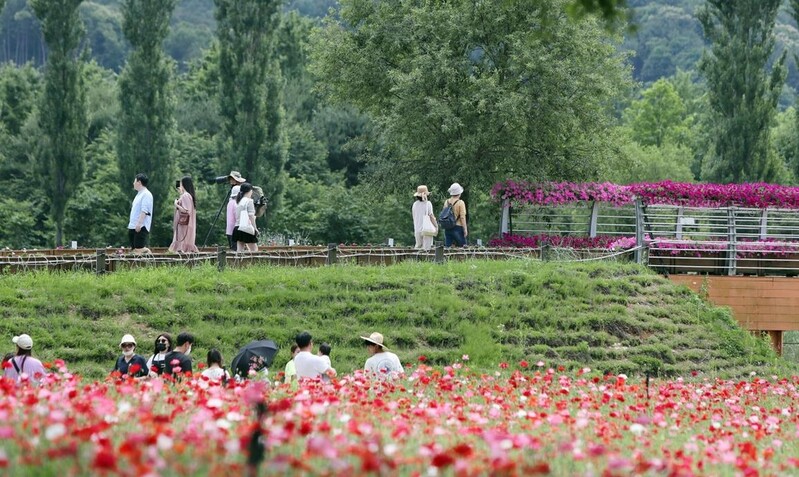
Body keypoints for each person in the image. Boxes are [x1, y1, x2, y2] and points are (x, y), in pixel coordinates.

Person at [169, 176, 199, 253]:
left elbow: (186, 210)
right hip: (185, 224)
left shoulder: (186, 195)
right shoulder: (187, 195)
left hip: (183, 224)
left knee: (181, 239)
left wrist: (176, 204)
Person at [128, 173, 154, 255]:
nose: (133, 183)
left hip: (140, 226)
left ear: (139, 182)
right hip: (132, 225)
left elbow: (144, 210)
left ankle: (150, 255)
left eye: (134, 181)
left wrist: (139, 224)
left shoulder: (146, 194)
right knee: (134, 249)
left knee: (139, 248)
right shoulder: (139, 194)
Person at [232, 182, 259, 252]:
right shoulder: (249, 201)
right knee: (254, 250)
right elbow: (251, 216)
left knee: (239, 251)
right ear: (250, 191)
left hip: (238, 228)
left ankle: (238, 263)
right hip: (246, 228)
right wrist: (255, 228)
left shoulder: (239, 202)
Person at [225, 171, 247, 250]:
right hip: (236, 230)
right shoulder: (237, 204)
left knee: (232, 249)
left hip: (229, 230)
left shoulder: (230, 202)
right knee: (237, 251)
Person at [412, 185, 438, 250]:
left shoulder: (414, 204)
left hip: (417, 229)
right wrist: (436, 226)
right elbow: (431, 216)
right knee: (426, 249)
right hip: (426, 229)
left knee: (418, 248)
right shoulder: (428, 204)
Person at [443, 182, 467, 247]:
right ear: (459, 193)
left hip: (448, 227)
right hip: (458, 227)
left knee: (448, 248)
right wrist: (465, 229)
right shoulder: (461, 203)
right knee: (463, 247)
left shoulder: (446, 202)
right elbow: (462, 217)